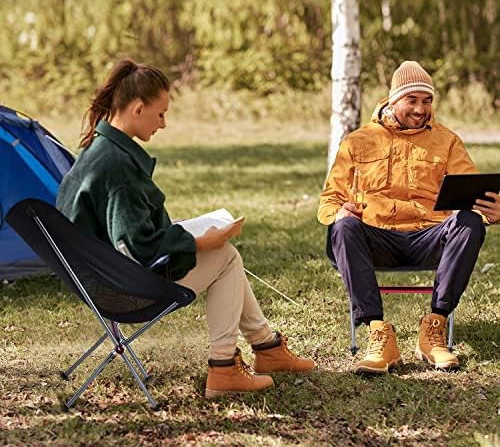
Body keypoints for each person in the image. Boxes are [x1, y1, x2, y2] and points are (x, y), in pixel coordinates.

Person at [56, 58, 315, 398]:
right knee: (226, 256)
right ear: (137, 109)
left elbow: (121, 231)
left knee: (223, 253)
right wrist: (197, 242)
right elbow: (137, 247)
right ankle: (224, 368)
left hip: (98, 282)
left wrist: (181, 231)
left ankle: (266, 348)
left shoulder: (98, 150)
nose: (163, 124)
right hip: (121, 291)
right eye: (160, 114)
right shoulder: (117, 167)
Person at [318, 60, 499, 374]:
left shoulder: (447, 141)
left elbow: (474, 193)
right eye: (412, 100)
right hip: (377, 239)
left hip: (429, 237)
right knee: (343, 225)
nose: (420, 109)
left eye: (427, 101)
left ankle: (434, 329)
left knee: (470, 222)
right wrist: (340, 211)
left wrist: (494, 212)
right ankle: (378, 334)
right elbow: (328, 201)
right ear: (393, 100)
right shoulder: (357, 141)